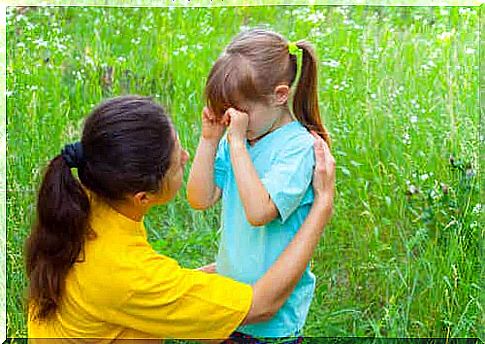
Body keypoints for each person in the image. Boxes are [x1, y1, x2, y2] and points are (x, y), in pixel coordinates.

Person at [25, 95, 335, 342]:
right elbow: (261, 306)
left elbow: (155, 288)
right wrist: (321, 206)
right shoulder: (126, 273)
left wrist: (231, 268)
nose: (186, 156)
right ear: (142, 197)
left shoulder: (89, 193)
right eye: (176, 163)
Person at [187, 29, 331, 339]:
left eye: (241, 113)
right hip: (232, 305)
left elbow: (259, 211)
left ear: (280, 95)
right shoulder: (242, 139)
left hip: (271, 325)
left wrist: (236, 143)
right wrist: (209, 140)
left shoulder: (298, 148)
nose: (232, 123)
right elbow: (200, 198)